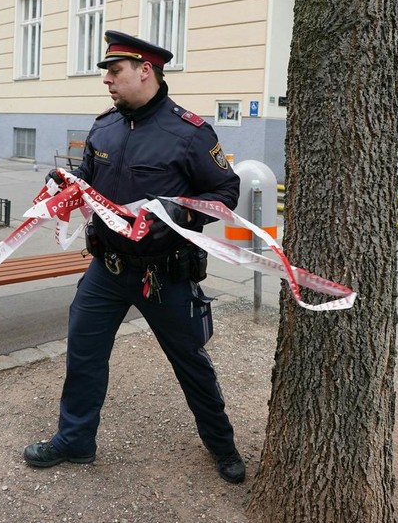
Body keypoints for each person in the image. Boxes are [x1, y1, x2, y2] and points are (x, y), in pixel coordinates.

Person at [24, 31, 246, 483]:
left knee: (191, 362)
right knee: (84, 355)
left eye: (114, 71)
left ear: (146, 70)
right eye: (107, 71)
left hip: (166, 275)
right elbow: (88, 177)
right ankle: (76, 440)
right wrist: (66, 182)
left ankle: (221, 445)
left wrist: (175, 212)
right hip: (106, 269)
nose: (106, 79)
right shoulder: (104, 125)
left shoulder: (190, 133)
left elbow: (226, 192)